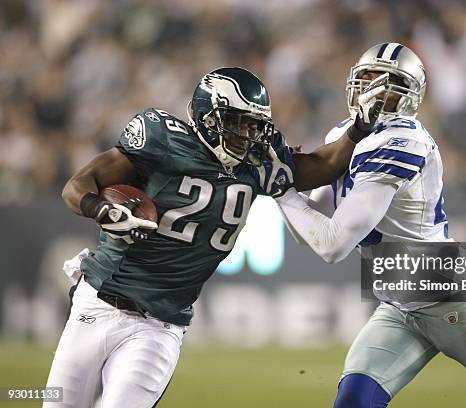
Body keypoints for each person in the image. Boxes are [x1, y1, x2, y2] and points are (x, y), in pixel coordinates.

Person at [256, 43, 466, 408]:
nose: (371, 90)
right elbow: (311, 230)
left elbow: (332, 244)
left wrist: (282, 192)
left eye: (386, 82)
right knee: (355, 400)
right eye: (366, 78)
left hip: (447, 292)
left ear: (408, 94)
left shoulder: (404, 141)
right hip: (398, 297)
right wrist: (283, 187)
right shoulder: (344, 136)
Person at [44, 66, 387, 408]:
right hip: (97, 301)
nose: (247, 133)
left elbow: (322, 165)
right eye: (238, 121)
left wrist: (359, 128)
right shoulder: (161, 138)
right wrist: (99, 209)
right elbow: (79, 183)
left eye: (254, 124)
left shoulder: (259, 160)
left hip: (159, 326)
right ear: (208, 115)